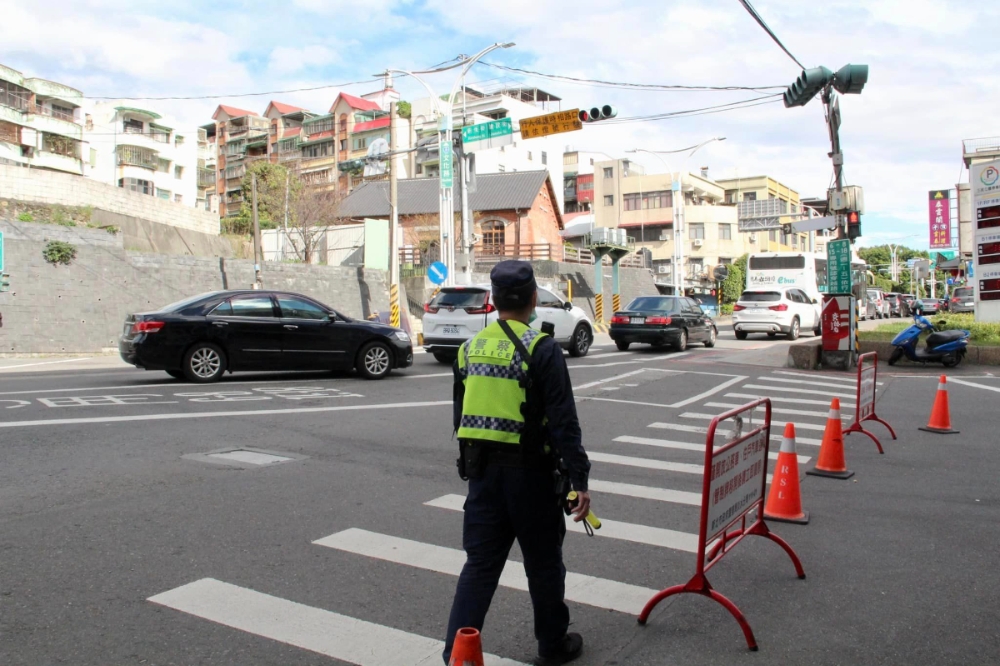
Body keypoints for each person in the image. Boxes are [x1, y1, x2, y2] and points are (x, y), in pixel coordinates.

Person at [443, 260, 592, 666]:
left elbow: (461, 418)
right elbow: (563, 422)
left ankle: (455, 656)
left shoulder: (468, 350)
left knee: (479, 567)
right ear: (532, 299)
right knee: (544, 566)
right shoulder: (541, 349)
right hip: (532, 478)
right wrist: (579, 479)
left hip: (482, 477)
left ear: (492, 300)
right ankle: (552, 644)